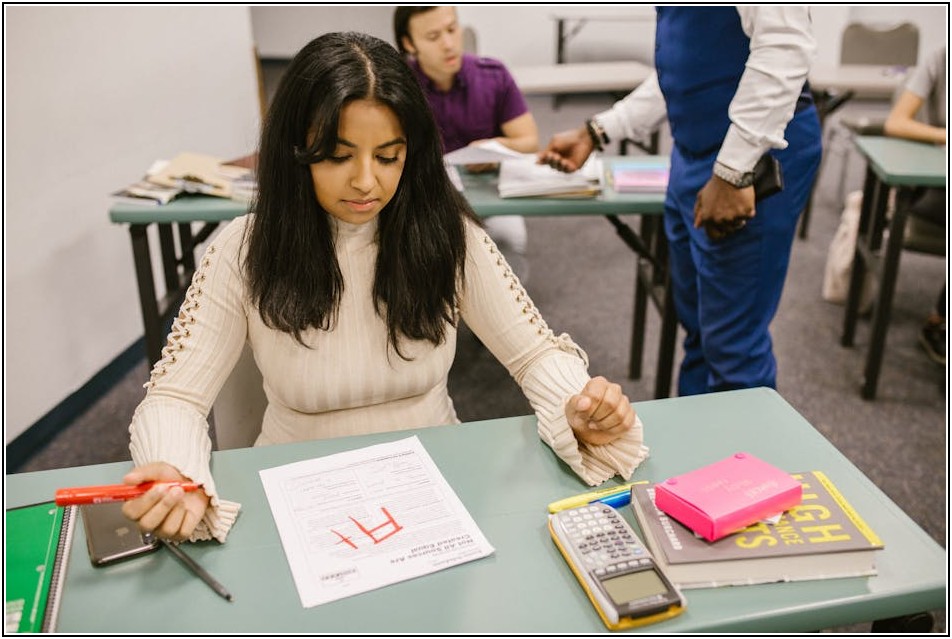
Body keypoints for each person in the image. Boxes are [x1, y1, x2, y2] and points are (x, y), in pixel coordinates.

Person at [120, 32, 646, 543]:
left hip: (435, 486)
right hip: (297, 496)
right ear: (296, 151)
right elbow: (175, 397)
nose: (367, 181)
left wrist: (579, 405)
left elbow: (534, 354)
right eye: (339, 155)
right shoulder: (244, 248)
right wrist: (175, 473)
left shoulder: (448, 235)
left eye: (388, 157)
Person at [539, 7, 822, 396]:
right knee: (699, 328)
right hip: (694, 156)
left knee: (732, 344)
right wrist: (600, 130)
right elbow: (689, 65)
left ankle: (743, 453)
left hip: (751, 157)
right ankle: (700, 450)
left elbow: (784, 47)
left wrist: (732, 171)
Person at [393, 5, 536, 282]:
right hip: (424, 199)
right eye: (434, 37)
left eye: (452, 29)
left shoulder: (493, 76)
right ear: (409, 43)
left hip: (490, 194)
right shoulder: (397, 88)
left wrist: (494, 147)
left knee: (508, 247)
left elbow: (529, 141)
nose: (448, 44)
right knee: (421, 262)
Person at [883, 46, 946, 366]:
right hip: (936, 191)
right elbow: (896, 123)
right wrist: (943, 135)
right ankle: (940, 321)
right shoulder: (942, 57)